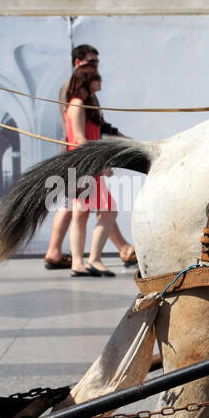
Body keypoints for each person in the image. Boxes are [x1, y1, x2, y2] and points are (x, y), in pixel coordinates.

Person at [43, 44, 135, 269]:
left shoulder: (87, 94)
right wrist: (97, 161)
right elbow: (78, 132)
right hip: (78, 157)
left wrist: (122, 139)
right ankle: (110, 252)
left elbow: (99, 123)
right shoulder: (75, 91)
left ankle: (62, 255)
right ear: (79, 64)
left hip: (83, 156)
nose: (97, 69)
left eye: (97, 63)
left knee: (80, 208)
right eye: (92, 63)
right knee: (86, 207)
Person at [64, 64, 121, 276]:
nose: (100, 81)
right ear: (86, 80)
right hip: (84, 165)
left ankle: (79, 262)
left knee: (82, 214)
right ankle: (92, 259)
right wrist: (101, 163)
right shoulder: (78, 104)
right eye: (96, 77)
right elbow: (79, 138)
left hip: (82, 164)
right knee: (107, 210)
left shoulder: (85, 104)